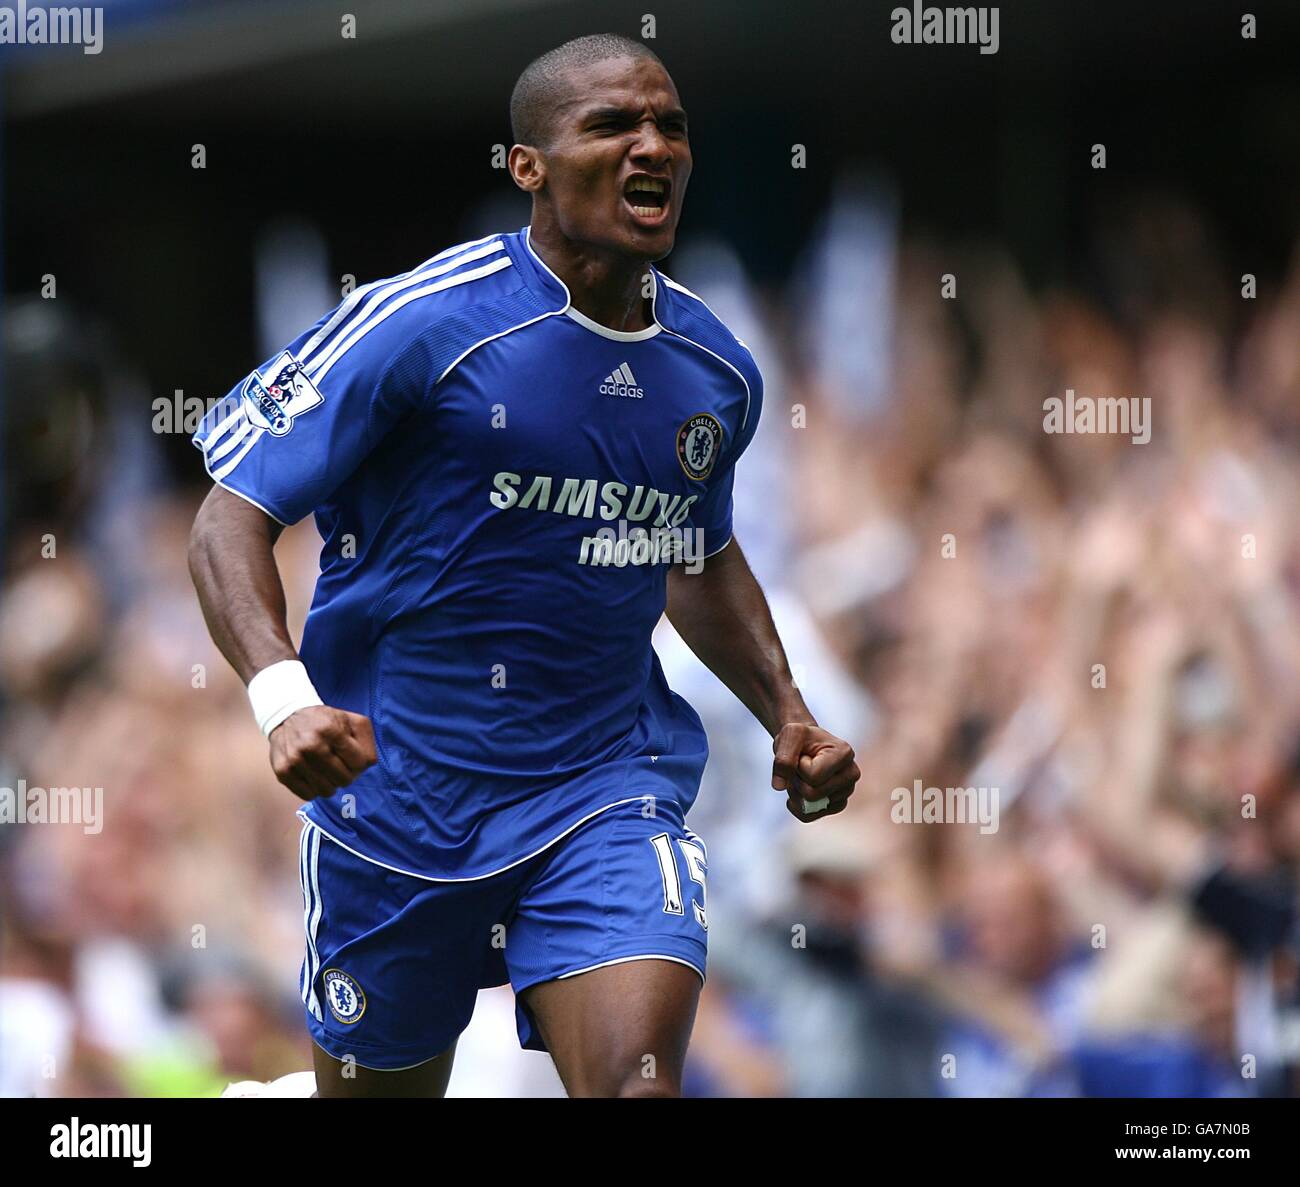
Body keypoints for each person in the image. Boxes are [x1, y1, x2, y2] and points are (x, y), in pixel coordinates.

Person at [187, 32, 860, 1099]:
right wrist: (282, 699)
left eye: (671, 127)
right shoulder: (420, 322)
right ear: (528, 167)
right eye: (612, 125)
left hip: (604, 789)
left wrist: (788, 709)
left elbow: (694, 551)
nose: (653, 147)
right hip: (395, 799)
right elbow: (229, 519)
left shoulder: (714, 372)